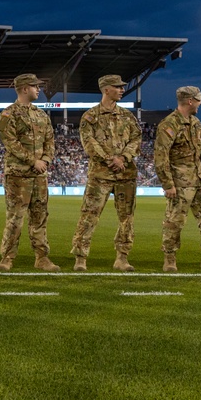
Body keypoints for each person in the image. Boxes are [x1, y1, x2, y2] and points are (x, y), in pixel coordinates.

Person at [154, 86, 201, 273]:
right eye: (198, 99)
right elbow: (161, 156)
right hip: (180, 183)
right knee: (174, 221)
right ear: (189, 101)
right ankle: (170, 259)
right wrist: (168, 184)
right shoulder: (169, 124)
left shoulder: (195, 122)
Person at [70, 75, 141, 271]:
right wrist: (112, 160)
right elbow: (89, 143)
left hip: (125, 174)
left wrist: (123, 158)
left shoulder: (128, 116)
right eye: (117, 87)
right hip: (100, 174)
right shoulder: (90, 116)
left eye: (122, 87)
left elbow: (136, 140)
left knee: (126, 217)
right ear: (106, 89)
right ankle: (80, 258)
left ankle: (122, 258)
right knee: (89, 215)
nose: (121, 89)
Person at [0, 73, 58, 271]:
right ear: (24, 89)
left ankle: (42, 258)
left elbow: (50, 141)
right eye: (35, 86)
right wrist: (34, 161)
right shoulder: (8, 114)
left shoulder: (41, 115)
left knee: (40, 217)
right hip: (18, 175)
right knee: (15, 217)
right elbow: (10, 142)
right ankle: (7, 258)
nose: (38, 89)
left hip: (39, 175)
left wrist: (45, 161)